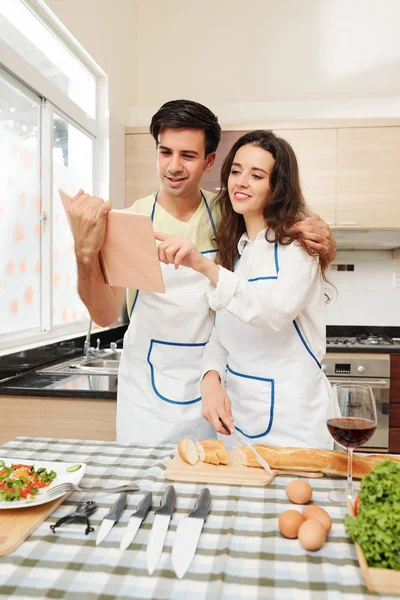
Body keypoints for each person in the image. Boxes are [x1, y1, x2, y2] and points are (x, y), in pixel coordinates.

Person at [68, 101, 336, 446]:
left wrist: (322, 241)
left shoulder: (230, 216)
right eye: (165, 152)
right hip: (150, 391)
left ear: (210, 161)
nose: (174, 166)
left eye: (188, 156)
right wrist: (85, 253)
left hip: (217, 393)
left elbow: (280, 242)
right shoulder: (129, 222)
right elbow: (104, 314)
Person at [155, 129, 337, 449]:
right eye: (236, 171)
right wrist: (210, 377)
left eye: (256, 175)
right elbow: (223, 333)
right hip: (239, 423)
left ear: (277, 186)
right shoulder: (241, 251)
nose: (241, 182)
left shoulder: (298, 246)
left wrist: (203, 265)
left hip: (294, 422)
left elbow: (272, 312)